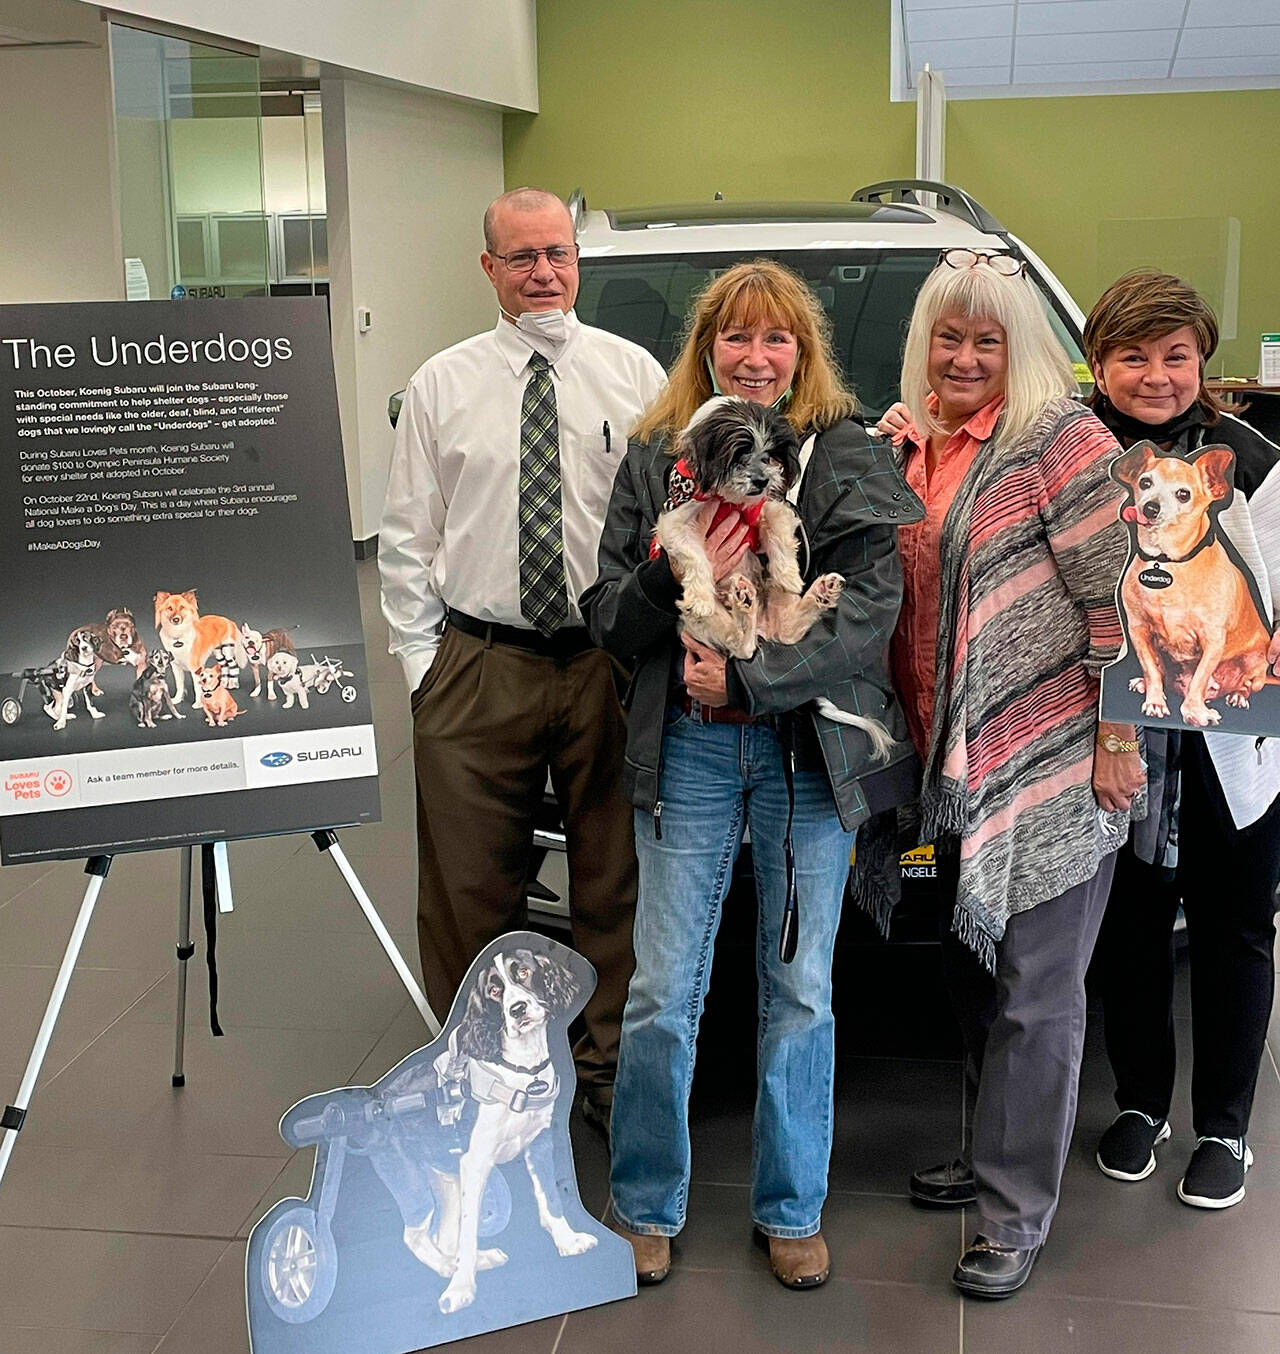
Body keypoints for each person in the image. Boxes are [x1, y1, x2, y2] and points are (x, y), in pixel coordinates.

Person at [581, 259, 923, 1291]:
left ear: (803, 352)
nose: (757, 355)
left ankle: (791, 1206)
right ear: (707, 349)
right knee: (660, 989)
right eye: (736, 335)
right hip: (686, 745)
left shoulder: (847, 453)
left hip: (805, 753)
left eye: (777, 337)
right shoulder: (658, 454)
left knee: (801, 988)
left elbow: (867, 614)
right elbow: (607, 614)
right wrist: (665, 570)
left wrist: (750, 678)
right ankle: (646, 1200)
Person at [876, 249, 1145, 1297]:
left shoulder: (1059, 438)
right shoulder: (908, 443)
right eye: (947, 336)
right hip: (944, 769)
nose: (964, 356)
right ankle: (992, 1151)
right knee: (973, 974)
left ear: (1019, 345)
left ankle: (1013, 1213)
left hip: (1052, 761)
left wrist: (1117, 741)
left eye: (986, 339)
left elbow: (1122, 596)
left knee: (1036, 994)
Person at [379, 187, 666, 1125]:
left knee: (615, 878)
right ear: (489, 268)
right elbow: (407, 537)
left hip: (606, 661)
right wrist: (424, 670)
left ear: (578, 261)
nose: (544, 273)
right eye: (523, 257)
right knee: (469, 888)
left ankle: (605, 1071)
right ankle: (477, 1080)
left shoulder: (634, 376)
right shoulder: (441, 384)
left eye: (558, 254)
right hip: (479, 662)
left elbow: (667, 525)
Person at [1085, 270, 1280, 1209]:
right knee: (1129, 923)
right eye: (1134, 356)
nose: (1157, 376)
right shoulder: (1077, 456)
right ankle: (1140, 1104)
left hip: (1231, 742)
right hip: (1113, 741)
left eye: (1176, 356)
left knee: (1234, 924)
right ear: (1098, 364)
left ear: (1203, 360)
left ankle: (1225, 1127)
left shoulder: (1256, 462)